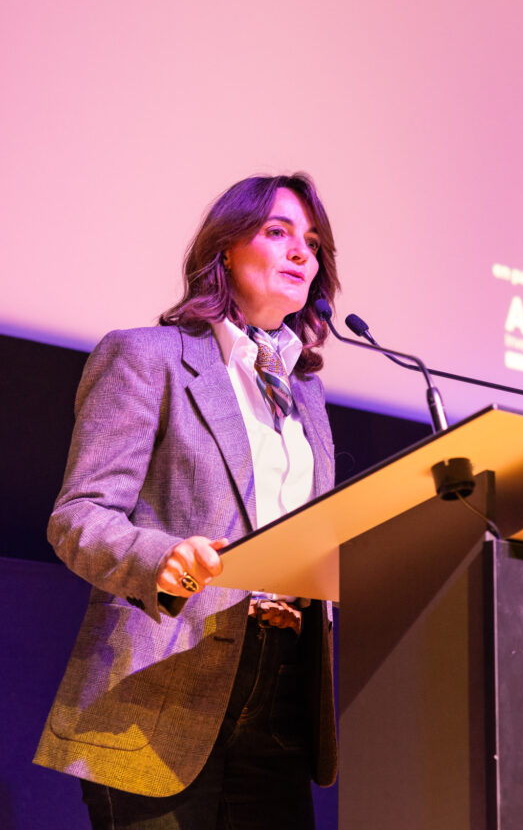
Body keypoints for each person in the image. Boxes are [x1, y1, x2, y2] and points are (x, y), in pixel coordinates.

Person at [34, 172, 340, 829]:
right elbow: (78, 516)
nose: (301, 252)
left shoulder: (307, 396)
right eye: (278, 232)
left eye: (313, 243)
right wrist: (164, 558)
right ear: (225, 247)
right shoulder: (147, 357)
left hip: (283, 697)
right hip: (158, 696)